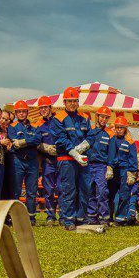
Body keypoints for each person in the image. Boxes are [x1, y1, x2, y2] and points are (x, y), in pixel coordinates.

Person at [51, 87, 92, 231]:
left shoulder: (84, 117)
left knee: (85, 188)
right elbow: (61, 138)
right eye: (70, 101)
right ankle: (68, 220)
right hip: (66, 158)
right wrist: (74, 152)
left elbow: (90, 136)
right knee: (69, 190)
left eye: (75, 101)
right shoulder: (58, 118)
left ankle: (81, 218)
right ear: (65, 102)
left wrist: (83, 147)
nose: (72, 104)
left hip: (83, 157)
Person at [7, 100, 42, 225]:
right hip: (18, 160)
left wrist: (23, 142)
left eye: (23, 111)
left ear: (27, 112)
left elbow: (37, 139)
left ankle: (31, 218)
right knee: (15, 190)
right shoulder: (12, 127)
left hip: (32, 161)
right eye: (19, 112)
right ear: (16, 113)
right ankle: (14, 217)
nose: (21, 114)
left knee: (31, 191)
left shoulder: (35, 126)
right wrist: (29, 141)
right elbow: (14, 141)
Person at [85, 106, 115, 225]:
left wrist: (110, 166)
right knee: (89, 191)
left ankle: (104, 218)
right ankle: (91, 217)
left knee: (102, 192)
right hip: (88, 165)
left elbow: (111, 152)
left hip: (101, 166)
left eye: (106, 118)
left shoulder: (109, 134)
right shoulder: (89, 131)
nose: (104, 119)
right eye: (102, 116)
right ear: (97, 117)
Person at [33, 96, 59, 225]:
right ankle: (50, 216)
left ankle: (64, 216)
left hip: (60, 160)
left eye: (45, 107)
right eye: (41, 108)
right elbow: (35, 142)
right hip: (47, 161)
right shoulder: (38, 124)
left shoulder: (59, 121)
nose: (43, 110)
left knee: (62, 189)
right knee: (48, 190)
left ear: (50, 107)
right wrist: (44, 147)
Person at [108, 116, 137, 225]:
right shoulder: (111, 139)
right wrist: (108, 167)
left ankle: (120, 218)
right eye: (117, 127)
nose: (119, 129)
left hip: (125, 171)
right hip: (112, 170)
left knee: (124, 195)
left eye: (121, 127)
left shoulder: (130, 142)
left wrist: (131, 173)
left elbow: (133, 158)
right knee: (109, 194)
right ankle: (108, 216)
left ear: (125, 128)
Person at [0, 110, 16, 201]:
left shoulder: (9, 130)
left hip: (8, 161)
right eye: (2, 118)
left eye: (7, 120)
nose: (4, 121)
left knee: (8, 187)